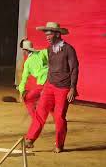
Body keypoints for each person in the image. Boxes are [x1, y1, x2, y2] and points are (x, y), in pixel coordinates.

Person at [25, 22, 79, 153]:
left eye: (49, 34)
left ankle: (59, 144)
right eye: (46, 34)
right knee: (40, 111)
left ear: (57, 34)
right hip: (50, 85)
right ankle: (30, 139)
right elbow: (50, 69)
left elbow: (74, 69)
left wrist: (72, 88)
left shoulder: (68, 49)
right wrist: (46, 85)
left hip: (63, 88)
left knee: (59, 116)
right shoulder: (49, 50)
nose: (47, 36)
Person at [18, 39, 48, 119]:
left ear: (25, 50)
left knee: (28, 99)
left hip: (43, 83)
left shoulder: (27, 62)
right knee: (49, 101)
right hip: (53, 80)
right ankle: (57, 118)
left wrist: (21, 93)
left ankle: (36, 119)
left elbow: (24, 79)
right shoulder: (41, 53)